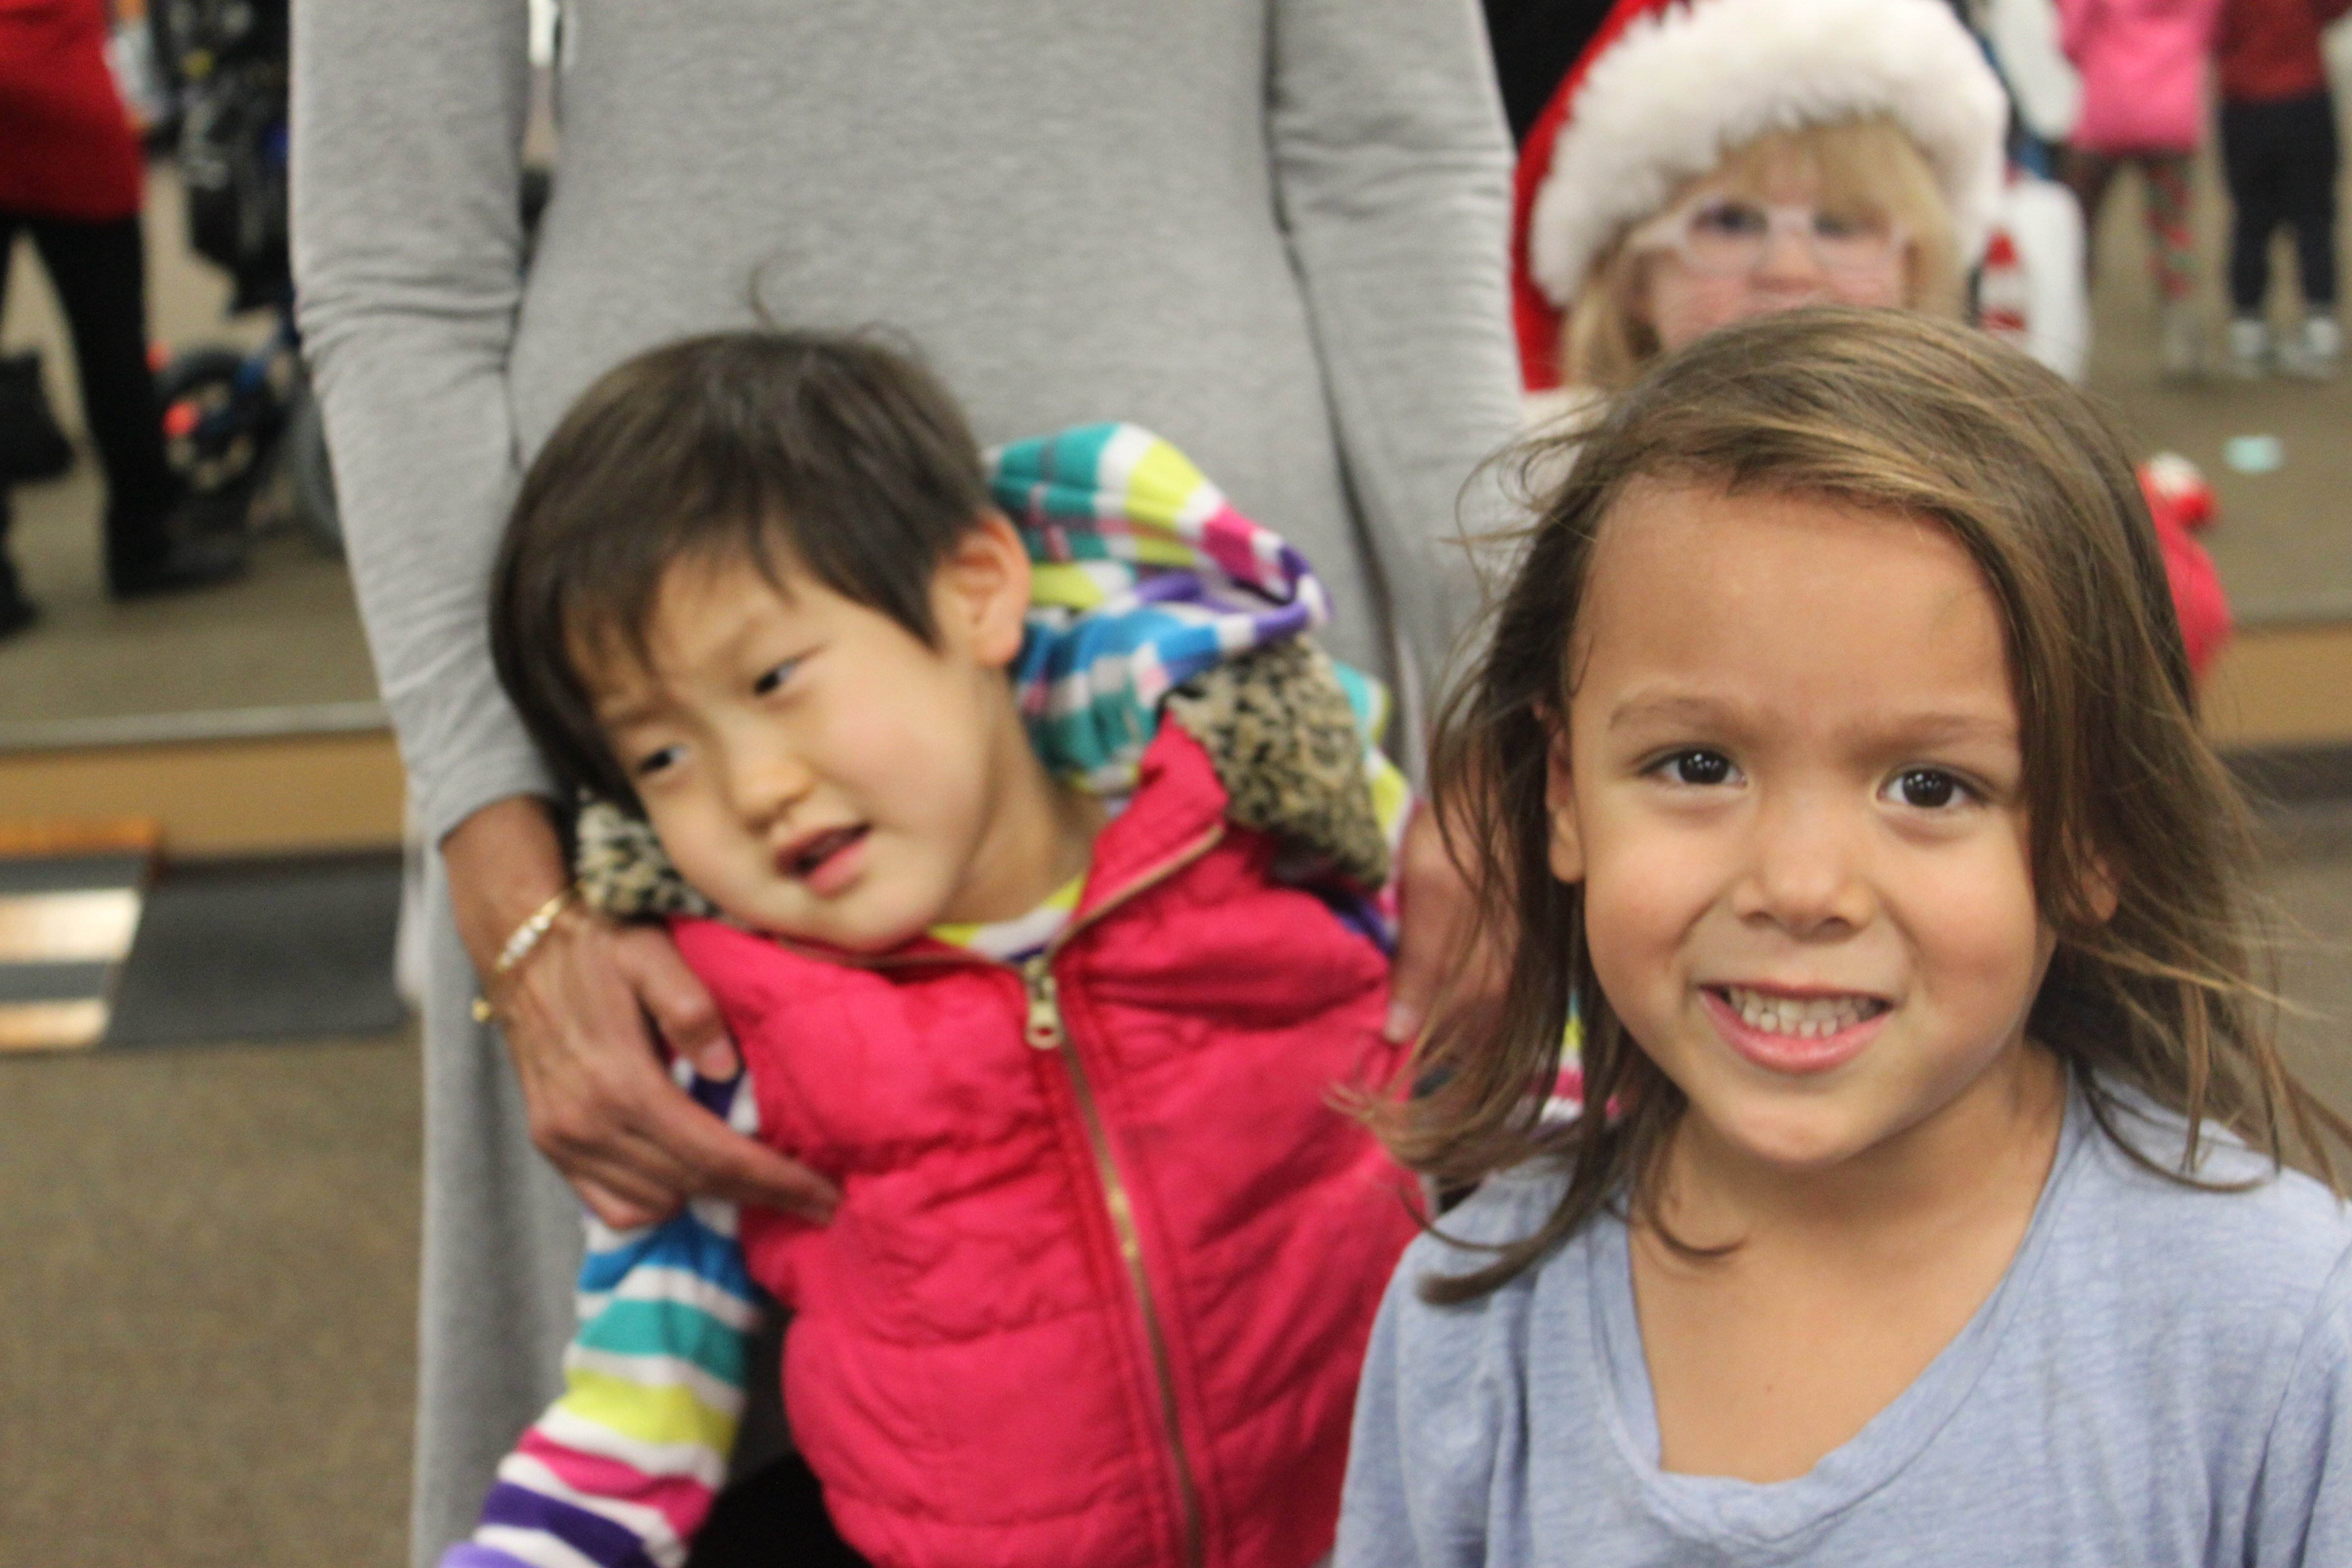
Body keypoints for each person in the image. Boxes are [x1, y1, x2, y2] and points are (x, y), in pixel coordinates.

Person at [288, 5, 1521, 1559]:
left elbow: (1393, 159)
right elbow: (398, 262)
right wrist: (504, 848)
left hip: (1228, 702)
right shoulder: (697, 772)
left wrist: (1499, 707)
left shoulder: (1287, 765)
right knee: (681, 1417)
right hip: (650, 676)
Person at [1334, 307, 2352, 1566]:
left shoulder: (2266, 1323)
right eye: (1696, 762)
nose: (1800, 884)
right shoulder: (1473, 1315)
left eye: (1928, 787)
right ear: (1559, 791)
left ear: (2091, 832)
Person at [447, 331, 1417, 1568]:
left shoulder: (1268, 833)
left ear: (975, 590)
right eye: (661, 755)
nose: (753, 786)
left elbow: (1531, 1102)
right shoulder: (721, 1035)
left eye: (775, 676)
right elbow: (634, 1410)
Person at [1507, 0, 2229, 680]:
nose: (1789, 273)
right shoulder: (1543, 506)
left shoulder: (1998, 461)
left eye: (1843, 226)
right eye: (1728, 224)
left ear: (1920, 262)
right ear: (1631, 275)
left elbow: (2172, 621)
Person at [0, 0, 244, 637]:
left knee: (115, 352)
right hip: (68, 112)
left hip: (61, 108)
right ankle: (145, 544)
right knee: (113, 352)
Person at [2056, 0, 2223, 378]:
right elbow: (2209, 30)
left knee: (2077, 227)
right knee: (2172, 227)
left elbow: (2070, 34)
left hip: (2106, 110)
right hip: (2170, 112)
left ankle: (2066, 331)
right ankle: (2181, 335)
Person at [2216, 0, 2351, 378]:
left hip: (2244, 103)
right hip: (2303, 98)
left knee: (2250, 219)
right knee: (2314, 217)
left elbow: (2208, 28)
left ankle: (2249, 327)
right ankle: (2320, 323)